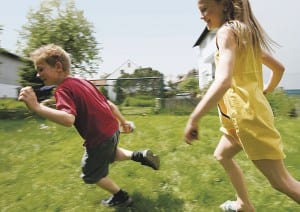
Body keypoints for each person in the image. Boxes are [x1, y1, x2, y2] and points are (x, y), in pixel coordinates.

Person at [184, 0, 300, 211]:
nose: (201, 16)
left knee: (283, 183)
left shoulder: (226, 33)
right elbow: (279, 69)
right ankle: (244, 204)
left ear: (223, 5)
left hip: (248, 120)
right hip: (239, 119)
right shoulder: (245, 34)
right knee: (222, 154)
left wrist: (194, 118)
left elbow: (223, 80)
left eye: (204, 9)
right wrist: (263, 90)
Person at [18, 44, 160, 208]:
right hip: (112, 129)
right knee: (109, 154)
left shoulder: (63, 90)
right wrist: (123, 121)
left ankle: (121, 197)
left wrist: (37, 107)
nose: (38, 74)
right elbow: (109, 104)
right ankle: (139, 155)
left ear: (57, 67)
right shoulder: (82, 81)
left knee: (90, 174)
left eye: (41, 69)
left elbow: (68, 119)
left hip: (98, 137)